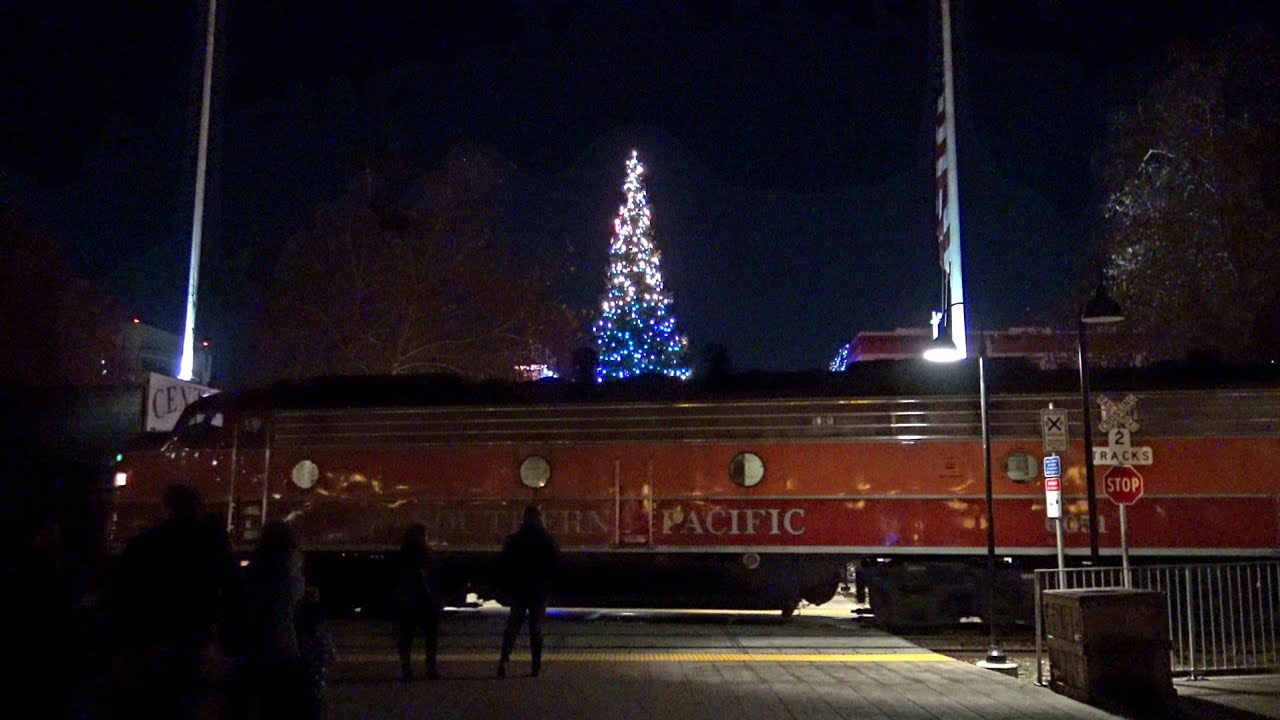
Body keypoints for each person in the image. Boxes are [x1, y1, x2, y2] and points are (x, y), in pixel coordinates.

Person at [103, 484, 236, 720]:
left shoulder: (142, 545)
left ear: (167, 507)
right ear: (197, 507)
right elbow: (231, 587)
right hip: (190, 639)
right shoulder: (208, 547)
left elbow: (119, 590)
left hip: (149, 640)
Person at [229, 520, 307, 719]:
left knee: (251, 691)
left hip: (258, 637)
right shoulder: (293, 565)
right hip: (285, 637)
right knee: (282, 693)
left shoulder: (259, 565)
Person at [497, 505, 559, 678]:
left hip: (519, 589)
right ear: (539, 518)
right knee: (536, 629)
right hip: (538, 590)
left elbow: (505, 562)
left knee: (512, 627)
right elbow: (555, 562)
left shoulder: (515, 539)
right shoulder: (546, 539)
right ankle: (535, 666)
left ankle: (504, 660)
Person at [396, 522, 442, 681]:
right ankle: (430, 667)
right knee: (430, 634)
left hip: (409, 599)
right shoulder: (425, 553)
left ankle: (406, 668)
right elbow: (432, 574)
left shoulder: (405, 552)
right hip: (424, 599)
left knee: (407, 635)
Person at [296, 586, 337, 720]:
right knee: (317, 698)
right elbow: (328, 651)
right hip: (315, 667)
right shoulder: (319, 624)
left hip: (305, 665)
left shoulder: (299, 620)